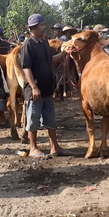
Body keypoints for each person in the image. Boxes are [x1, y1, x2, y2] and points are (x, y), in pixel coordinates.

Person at [21, 14, 72, 158]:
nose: (43, 27)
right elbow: (26, 68)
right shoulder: (28, 45)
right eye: (40, 25)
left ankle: (55, 147)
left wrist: (63, 53)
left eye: (43, 24)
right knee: (33, 119)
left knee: (50, 119)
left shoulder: (44, 43)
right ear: (32, 28)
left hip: (47, 89)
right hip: (35, 90)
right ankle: (33, 148)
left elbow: (50, 61)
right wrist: (34, 87)